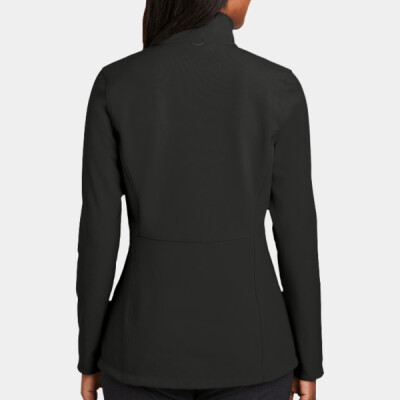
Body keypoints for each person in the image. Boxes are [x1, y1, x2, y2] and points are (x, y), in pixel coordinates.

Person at [76, 0, 324, 399]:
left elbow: (97, 238)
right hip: (254, 351)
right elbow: (298, 237)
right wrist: (309, 361)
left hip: (140, 349)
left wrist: (88, 356)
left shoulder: (115, 83)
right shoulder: (277, 86)